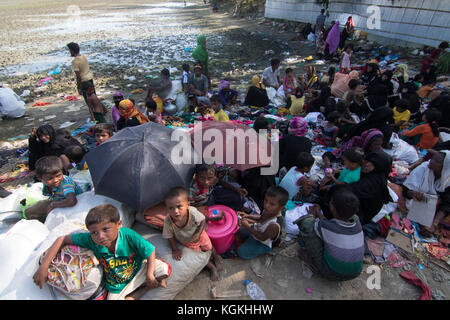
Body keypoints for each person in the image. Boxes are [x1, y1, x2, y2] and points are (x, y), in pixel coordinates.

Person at [33, 204, 171, 300]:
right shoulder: (89, 240)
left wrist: (149, 274)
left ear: (118, 224)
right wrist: (44, 267)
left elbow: (150, 251)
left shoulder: (128, 235)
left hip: (139, 269)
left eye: (105, 229)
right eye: (94, 232)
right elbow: (62, 239)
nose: (100, 236)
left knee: (163, 269)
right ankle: (142, 290)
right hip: (118, 283)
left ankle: (148, 282)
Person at [295, 188, 364, 281]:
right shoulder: (356, 222)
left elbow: (321, 224)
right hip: (356, 272)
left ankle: (315, 264)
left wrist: (312, 215)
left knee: (307, 223)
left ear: (333, 209)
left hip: (331, 273)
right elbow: (329, 223)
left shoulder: (326, 226)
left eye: (331, 202)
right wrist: (319, 213)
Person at [163, 187, 223, 281]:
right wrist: (175, 249)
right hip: (188, 242)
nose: (175, 211)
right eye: (171, 208)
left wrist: (198, 234)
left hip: (200, 235)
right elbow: (169, 236)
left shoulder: (192, 212)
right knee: (200, 256)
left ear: (187, 205)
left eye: (179, 206)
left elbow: (203, 220)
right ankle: (212, 268)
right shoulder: (168, 221)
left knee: (209, 247)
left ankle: (216, 258)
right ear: (167, 209)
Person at [402, 149, 450, 235]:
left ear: (444, 167)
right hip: (416, 201)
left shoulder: (447, 180)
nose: (431, 161)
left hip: (433, 208)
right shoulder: (423, 168)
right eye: (433, 158)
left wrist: (434, 223)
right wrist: (413, 193)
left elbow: (447, 204)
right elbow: (406, 189)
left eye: (437, 161)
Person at [235, 186, 289, 260]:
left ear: (281, 208)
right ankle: (250, 239)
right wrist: (247, 215)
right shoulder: (269, 210)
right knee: (239, 230)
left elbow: (262, 237)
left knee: (241, 251)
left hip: (263, 243)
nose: (266, 205)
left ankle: (260, 249)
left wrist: (247, 226)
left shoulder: (274, 225)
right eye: (266, 200)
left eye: (272, 204)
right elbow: (261, 217)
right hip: (258, 230)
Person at [25, 156, 81, 222]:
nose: (55, 180)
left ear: (62, 171)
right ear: (39, 178)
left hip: (75, 203)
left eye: (58, 175)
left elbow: (72, 201)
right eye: (50, 178)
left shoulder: (65, 182)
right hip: (59, 201)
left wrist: (53, 205)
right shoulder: (47, 184)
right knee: (29, 212)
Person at [346, 150, 393, 225]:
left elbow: (349, 190)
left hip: (361, 215)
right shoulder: (374, 175)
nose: (366, 164)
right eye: (366, 161)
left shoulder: (373, 182)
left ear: (379, 166)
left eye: (372, 163)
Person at [67, 42, 94, 107]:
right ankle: (102, 109)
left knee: (88, 100)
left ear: (72, 51)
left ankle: (95, 114)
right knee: (93, 96)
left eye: (70, 50)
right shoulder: (83, 56)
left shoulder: (75, 61)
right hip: (90, 77)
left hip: (84, 81)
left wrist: (78, 87)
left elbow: (78, 76)